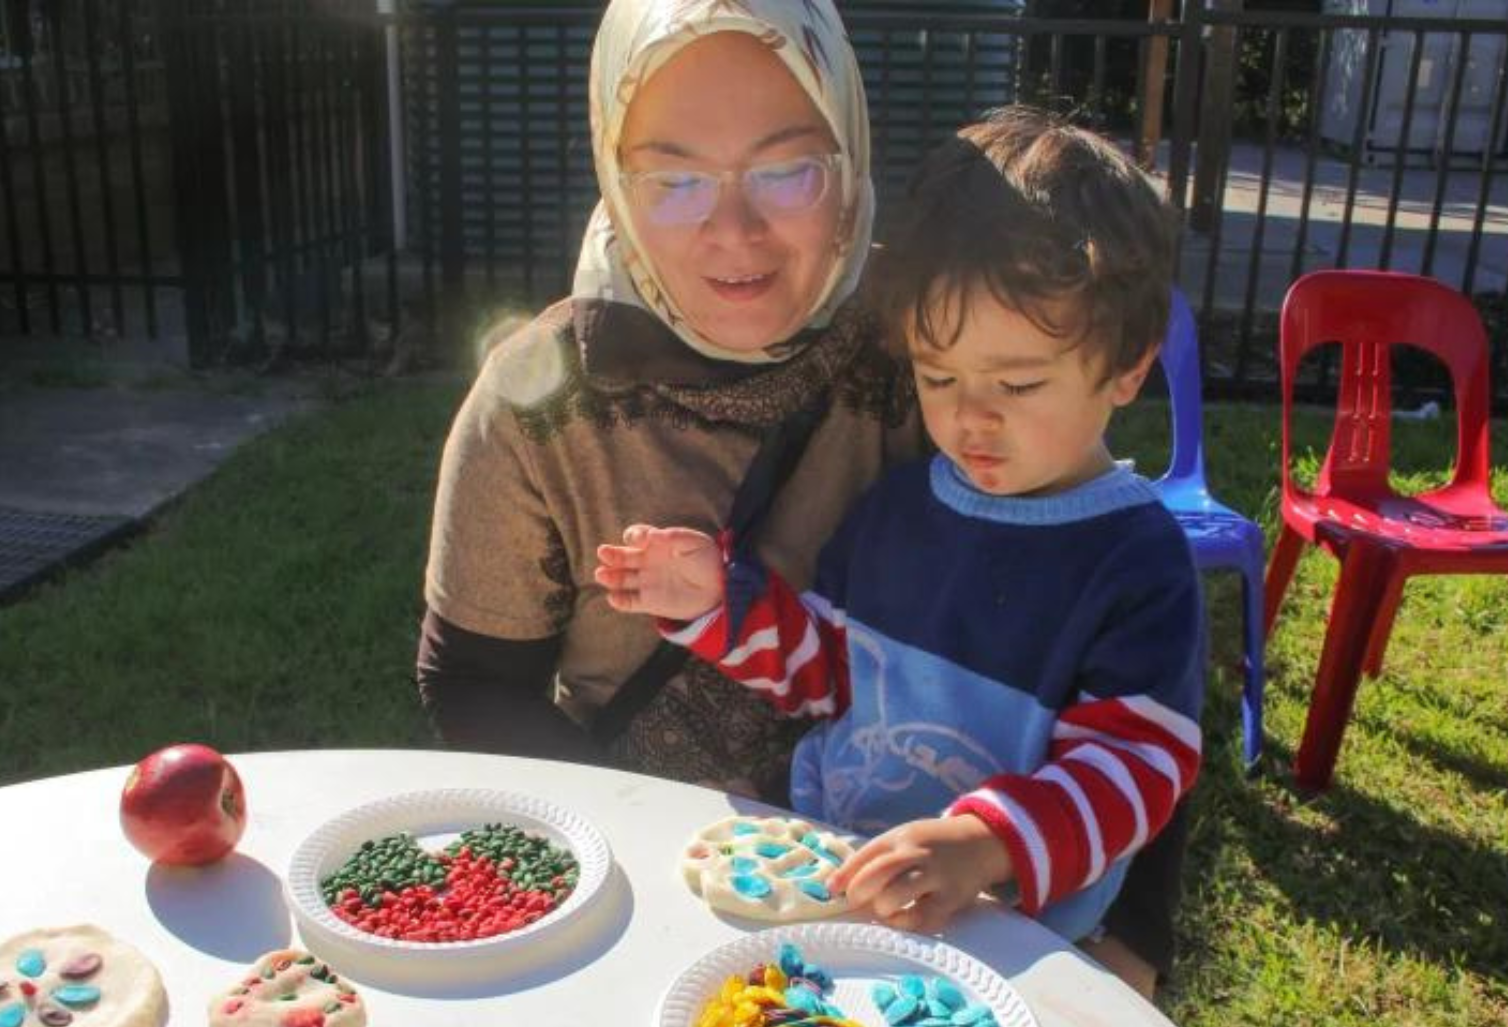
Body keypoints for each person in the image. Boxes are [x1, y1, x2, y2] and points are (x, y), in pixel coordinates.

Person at [593, 107, 1205, 972]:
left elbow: (1137, 770)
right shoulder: (898, 508)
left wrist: (981, 844)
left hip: (1005, 924)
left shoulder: (1136, 562)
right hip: (833, 867)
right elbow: (832, 674)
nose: (970, 414)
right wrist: (714, 606)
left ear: (1129, 367)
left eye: (1020, 382)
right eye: (937, 374)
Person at [417, 0, 919, 802]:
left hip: (910, 869)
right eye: (674, 180)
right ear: (616, 182)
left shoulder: (933, 349)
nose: (733, 230)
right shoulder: (538, 399)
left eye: (787, 170)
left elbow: (1087, 593)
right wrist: (648, 838)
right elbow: (476, 681)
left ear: (849, 152)